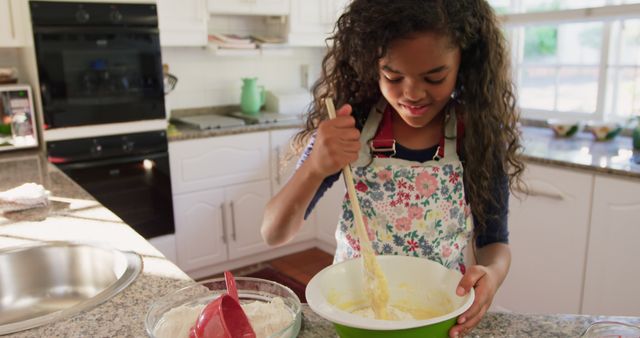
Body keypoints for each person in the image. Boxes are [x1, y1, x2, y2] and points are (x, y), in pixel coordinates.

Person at [261, 0, 524, 336]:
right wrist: (314, 167)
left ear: (465, 62)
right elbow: (273, 232)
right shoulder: (350, 126)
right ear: (372, 63)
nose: (412, 94)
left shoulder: (476, 135)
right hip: (355, 315)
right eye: (393, 76)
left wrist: (493, 274)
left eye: (434, 76)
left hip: (439, 318)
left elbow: (494, 243)